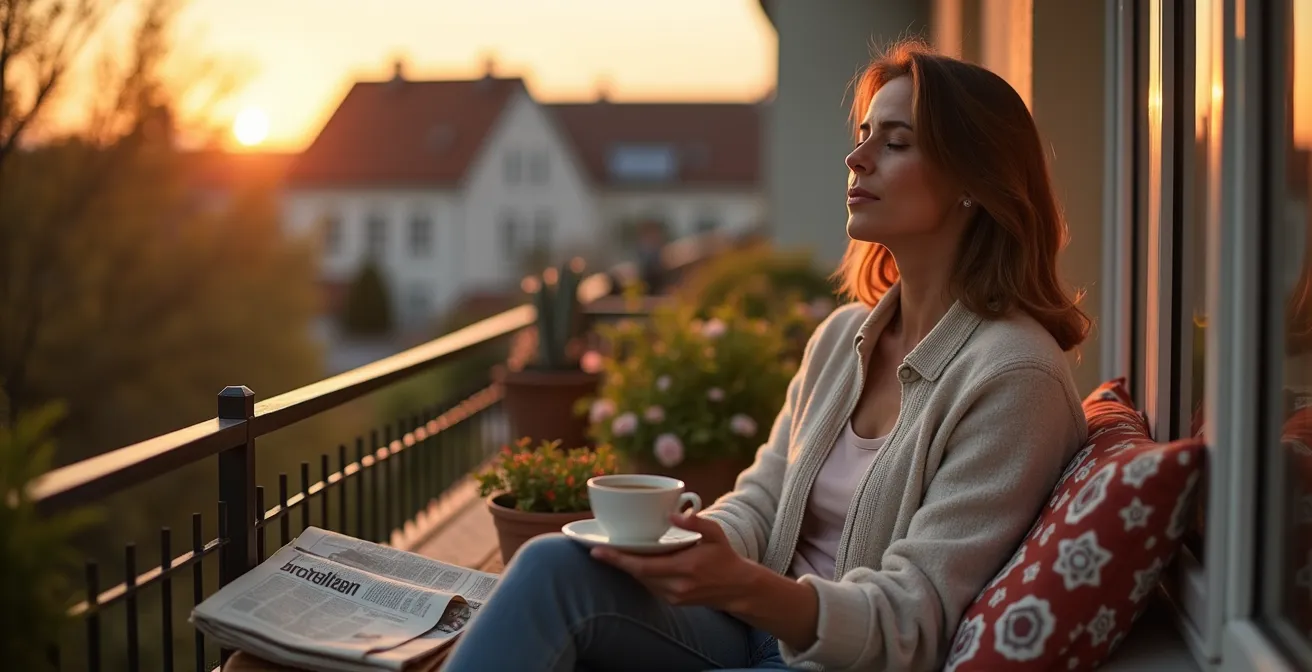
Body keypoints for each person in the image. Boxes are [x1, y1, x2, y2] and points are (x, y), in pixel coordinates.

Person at [442, 39, 1090, 672]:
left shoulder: (1013, 377)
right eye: (863, 134)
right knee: (552, 566)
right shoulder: (844, 337)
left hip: (834, 656)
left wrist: (737, 587)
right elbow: (764, 497)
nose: (857, 157)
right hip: (748, 626)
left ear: (974, 184)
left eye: (894, 143)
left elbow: (910, 622)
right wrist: (695, 539)